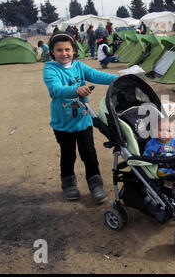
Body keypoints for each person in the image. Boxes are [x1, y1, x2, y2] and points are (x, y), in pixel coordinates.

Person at [43, 32, 120, 204]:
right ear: (52, 52)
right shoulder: (50, 69)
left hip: (83, 121)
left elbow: (97, 75)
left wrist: (119, 79)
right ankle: (68, 184)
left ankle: (95, 185)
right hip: (63, 125)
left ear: (74, 50)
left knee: (89, 154)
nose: (64, 53)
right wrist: (76, 90)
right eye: (59, 50)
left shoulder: (79, 66)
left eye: (67, 49)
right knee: (68, 155)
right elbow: (56, 90)